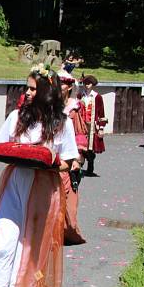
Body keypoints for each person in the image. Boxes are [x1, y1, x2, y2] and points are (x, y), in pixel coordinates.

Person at [0, 67, 80, 287]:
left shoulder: (61, 123)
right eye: (27, 88)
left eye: (33, 88)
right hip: (15, 182)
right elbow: (2, 145)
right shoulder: (17, 117)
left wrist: (50, 162)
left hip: (44, 186)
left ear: (46, 91)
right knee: (4, 239)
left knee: (31, 246)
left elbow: (70, 162)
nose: (28, 93)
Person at [58, 70, 85, 245]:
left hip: (67, 158)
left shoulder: (73, 110)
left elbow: (79, 135)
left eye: (62, 84)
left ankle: (65, 230)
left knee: (67, 197)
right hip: (52, 156)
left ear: (69, 87)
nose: (58, 87)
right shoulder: (49, 105)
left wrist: (77, 158)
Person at [78, 74, 105, 175]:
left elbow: (101, 112)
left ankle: (90, 164)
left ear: (92, 84)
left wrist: (101, 128)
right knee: (80, 144)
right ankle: (79, 166)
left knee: (90, 147)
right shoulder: (80, 95)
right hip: (81, 124)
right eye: (85, 83)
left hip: (92, 125)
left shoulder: (97, 97)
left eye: (89, 83)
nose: (87, 85)